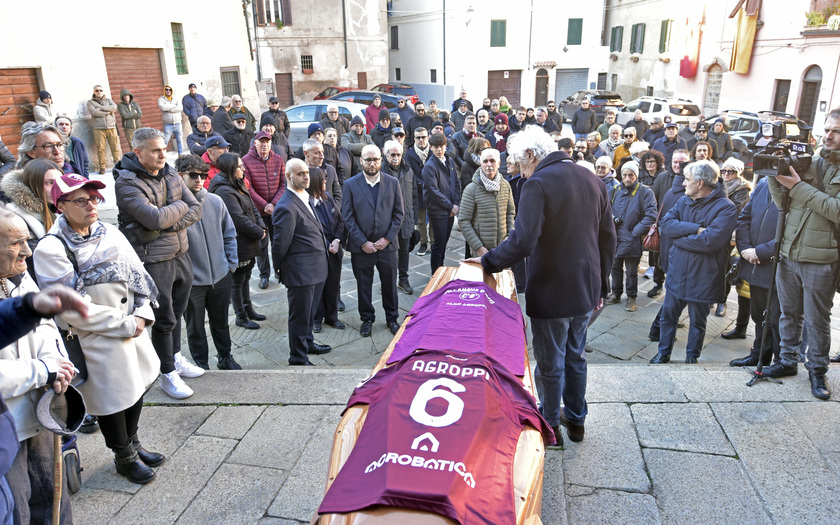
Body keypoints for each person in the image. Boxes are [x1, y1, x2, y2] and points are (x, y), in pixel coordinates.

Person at [465, 125, 615, 446]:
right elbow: (608, 239)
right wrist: (602, 286)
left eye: (521, 164)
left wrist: (489, 262)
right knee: (575, 355)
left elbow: (522, 241)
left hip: (551, 292)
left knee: (550, 362)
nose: (520, 172)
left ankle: (549, 426)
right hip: (585, 289)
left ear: (532, 155)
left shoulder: (538, 184)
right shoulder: (592, 178)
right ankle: (576, 420)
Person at [34, 173, 164, 485]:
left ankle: (134, 443)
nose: (92, 205)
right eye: (81, 200)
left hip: (132, 327)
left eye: (94, 198)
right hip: (98, 337)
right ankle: (123, 456)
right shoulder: (51, 248)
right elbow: (69, 306)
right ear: (61, 205)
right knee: (112, 401)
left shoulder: (110, 232)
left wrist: (144, 312)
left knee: (135, 389)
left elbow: (139, 275)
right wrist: (126, 324)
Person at [113, 127, 203, 399]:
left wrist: (167, 219)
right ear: (138, 152)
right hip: (153, 259)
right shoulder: (126, 182)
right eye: (155, 150)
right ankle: (166, 374)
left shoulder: (172, 174)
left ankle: (174, 357)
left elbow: (196, 207)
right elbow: (154, 220)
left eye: (164, 148)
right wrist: (174, 213)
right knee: (163, 318)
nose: (163, 154)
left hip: (181, 253)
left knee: (178, 313)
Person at [0, 207, 76, 523]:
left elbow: (43, 326)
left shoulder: (18, 274)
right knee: (17, 509)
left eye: (27, 240)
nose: (28, 251)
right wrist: (42, 371)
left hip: (37, 412)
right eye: (16, 242)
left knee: (53, 500)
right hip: (8, 425)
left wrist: (58, 363)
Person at [763, 108, 840, 399]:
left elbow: (836, 210)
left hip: (822, 258)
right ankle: (787, 360)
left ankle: (818, 371)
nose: (828, 135)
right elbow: (783, 202)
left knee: (817, 319)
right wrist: (774, 173)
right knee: (788, 312)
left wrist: (798, 186)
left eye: (836, 131)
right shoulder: (811, 162)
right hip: (788, 251)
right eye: (827, 129)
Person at [650, 160, 737, 364]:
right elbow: (665, 226)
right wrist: (696, 229)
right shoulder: (683, 201)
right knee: (668, 317)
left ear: (699, 183)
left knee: (698, 321)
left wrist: (679, 238)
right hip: (678, 271)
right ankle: (663, 353)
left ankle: (692, 357)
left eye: (687, 180)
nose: (683, 184)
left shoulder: (726, 208)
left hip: (704, 275)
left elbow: (709, 242)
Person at [176, 154, 241, 370]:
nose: (199, 179)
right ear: (180, 176)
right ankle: (201, 364)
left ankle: (225, 357)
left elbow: (229, 234)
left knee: (221, 323)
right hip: (192, 283)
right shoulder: (174, 208)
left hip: (221, 276)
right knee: (195, 328)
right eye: (193, 175)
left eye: (203, 175)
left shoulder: (215, 201)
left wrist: (230, 265)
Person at [272, 158, 332, 364]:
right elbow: (280, 245)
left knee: (309, 313)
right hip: (300, 272)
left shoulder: (304, 197)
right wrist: (280, 269)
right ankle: (297, 355)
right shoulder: (286, 206)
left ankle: (308, 342)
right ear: (289, 176)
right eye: (300, 173)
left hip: (316, 269)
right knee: (299, 316)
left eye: (306, 172)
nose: (306, 176)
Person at [342, 144, 404, 337]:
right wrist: (362, 242)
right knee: (363, 285)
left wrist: (387, 239)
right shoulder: (350, 184)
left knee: (390, 284)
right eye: (368, 159)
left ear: (381, 160)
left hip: (387, 246)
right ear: (361, 161)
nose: (372, 163)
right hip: (362, 248)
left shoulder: (393, 183)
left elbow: (398, 214)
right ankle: (367, 319)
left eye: (375, 159)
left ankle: (392, 318)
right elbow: (347, 216)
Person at [208, 153, 267, 331]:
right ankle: (241, 316)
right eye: (240, 167)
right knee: (238, 280)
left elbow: (253, 208)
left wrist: (262, 227)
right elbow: (238, 219)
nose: (243, 169)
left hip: (248, 241)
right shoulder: (224, 190)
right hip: (238, 242)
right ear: (230, 169)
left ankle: (249, 309)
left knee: (246, 277)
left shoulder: (238, 182)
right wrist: (258, 232)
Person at [728, 176, 781, 366]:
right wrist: (745, 250)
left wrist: (761, 251)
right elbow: (744, 218)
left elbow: (794, 230)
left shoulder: (796, 189)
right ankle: (759, 355)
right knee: (759, 315)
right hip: (754, 262)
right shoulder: (763, 186)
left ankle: (781, 361)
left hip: (777, 267)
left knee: (777, 318)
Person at [603, 161, 657, 312]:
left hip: (632, 238)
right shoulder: (615, 190)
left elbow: (651, 215)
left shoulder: (645, 192)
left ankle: (631, 296)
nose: (627, 178)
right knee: (615, 266)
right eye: (625, 175)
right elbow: (607, 209)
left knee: (632, 270)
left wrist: (635, 231)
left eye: (631, 175)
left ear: (636, 176)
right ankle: (616, 293)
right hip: (616, 236)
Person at [242, 130, 286, 289]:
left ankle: (279, 269)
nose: (264, 145)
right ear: (255, 143)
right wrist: (264, 205)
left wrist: (273, 204)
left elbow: (283, 184)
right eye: (261, 142)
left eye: (267, 142)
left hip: (276, 210)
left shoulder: (279, 159)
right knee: (261, 244)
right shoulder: (245, 161)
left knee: (278, 241)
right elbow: (248, 188)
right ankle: (264, 275)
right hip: (258, 211)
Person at [0, 159, 60, 271]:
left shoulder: (64, 207)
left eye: (60, 182)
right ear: (33, 185)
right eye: (50, 183)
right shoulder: (16, 217)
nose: (57, 188)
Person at [458, 147, 515, 263]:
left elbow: (510, 213)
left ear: (498, 163)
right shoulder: (471, 189)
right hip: (481, 249)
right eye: (485, 161)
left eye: (492, 161)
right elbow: (463, 220)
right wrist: (478, 247)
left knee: (502, 279)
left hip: (502, 249)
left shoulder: (505, 186)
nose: (489, 164)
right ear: (480, 164)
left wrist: (509, 237)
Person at [306, 166, 345, 333]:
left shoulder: (328, 198)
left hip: (334, 252)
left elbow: (341, 221)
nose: (325, 182)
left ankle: (332, 317)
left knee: (333, 285)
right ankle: (316, 318)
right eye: (322, 179)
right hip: (317, 254)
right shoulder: (305, 204)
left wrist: (337, 240)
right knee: (317, 289)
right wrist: (325, 244)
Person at [381, 140, 416, 295]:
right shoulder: (380, 172)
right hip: (388, 222)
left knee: (404, 252)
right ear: (385, 154)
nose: (396, 157)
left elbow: (414, 195)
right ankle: (387, 283)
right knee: (388, 256)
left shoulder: (408, 169)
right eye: (392, 154)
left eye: (398, 154)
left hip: (406, 218)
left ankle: (403, 279)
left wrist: (413, 218)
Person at [422, 133, 460, 274]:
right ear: (431, 148)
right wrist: (451, 206)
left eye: (442, 147)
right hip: (438, 211)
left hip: (450, 209)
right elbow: (434, 192)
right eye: (436, 147)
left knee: (444, 243)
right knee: (438, 244)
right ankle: (435, 274)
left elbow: (456, 183)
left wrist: (455, 204)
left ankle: (441, 270)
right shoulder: (429, 166)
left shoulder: (449, 161)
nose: (439, 150)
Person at [405, 127, 433, 257]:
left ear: (428, 137)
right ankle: (423, 243)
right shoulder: (409, 154)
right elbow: (410, 173)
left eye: (423, 137)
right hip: (418, 191)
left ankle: (433, 242)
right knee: (421, 220)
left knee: (433, 218)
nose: (421, 140)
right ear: (414, 138)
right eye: (418, 137)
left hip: (433, 191)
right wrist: (422, 183)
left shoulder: (433, 151)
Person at [88, 85, 121, 174]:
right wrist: (108, 112)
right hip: (99, 129)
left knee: (115, 147)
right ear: (94, 92)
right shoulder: (90, 102)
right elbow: (94, 112)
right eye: (97, 90)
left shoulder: (109, 100)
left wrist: (101, 108)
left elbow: (114, 108)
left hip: (111, 127)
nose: (99, 92)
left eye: (100, 90)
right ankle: (102, 167)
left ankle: (118, 165)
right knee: (100, 149)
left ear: (103, 91)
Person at [157, 84, 184, 156]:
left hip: (178, 123)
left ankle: (180, 155)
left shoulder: (176, 98)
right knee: (165, 141)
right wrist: (173, 106)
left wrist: (169, 109)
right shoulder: (161, 99)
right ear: (164, 91)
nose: (168, 91)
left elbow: (180, 108)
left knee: (179, 140)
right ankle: (162, 156)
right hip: (168, 124)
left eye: (169, 90)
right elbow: (163, 108)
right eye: (166, 90)